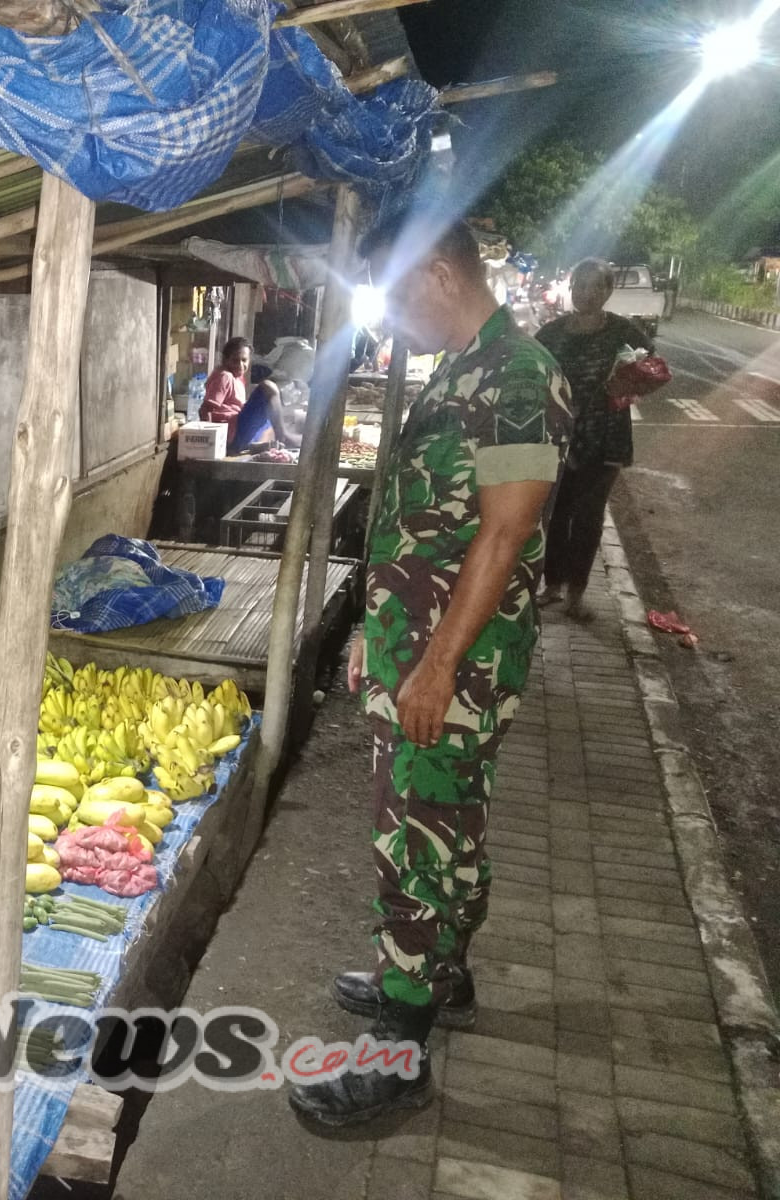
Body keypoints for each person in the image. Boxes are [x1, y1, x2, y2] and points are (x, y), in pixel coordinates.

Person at [288, 215, 572, 1125]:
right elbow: (419, 525)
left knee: (416, 838)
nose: (390, 316)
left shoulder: (520, 377)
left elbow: (505, 532)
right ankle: (438, 979)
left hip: (455, 666)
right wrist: (375, 633)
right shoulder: (462, 368)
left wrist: (438, 665)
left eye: (396, 293)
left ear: (442, 274)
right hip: (415, 647)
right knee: (450, 823)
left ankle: (399, 1054)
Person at [534, 259, 653, 619]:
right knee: (555, 514)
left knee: (588, 517)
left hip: (606, 439)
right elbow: (531, 372)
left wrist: (628, 385)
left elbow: (652, 370)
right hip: (559, 438)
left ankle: (577, 593)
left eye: (595, 286)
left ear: (608, 291)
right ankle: (553, 585)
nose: (586, 293)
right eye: (580, 285)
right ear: (570, 288)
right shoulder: (551, 333)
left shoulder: (623, 332)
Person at [198, 337, 299, 452]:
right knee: (267, 387)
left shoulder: (237, 377)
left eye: (244, 360)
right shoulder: (224, 376)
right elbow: (205, 409)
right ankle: (282, 436)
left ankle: (259, 443)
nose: (240, 365)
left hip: (237, 433)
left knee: (271, 410)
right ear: (225, 360)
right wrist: (210, 442)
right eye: (235, 360)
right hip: (231, 435)